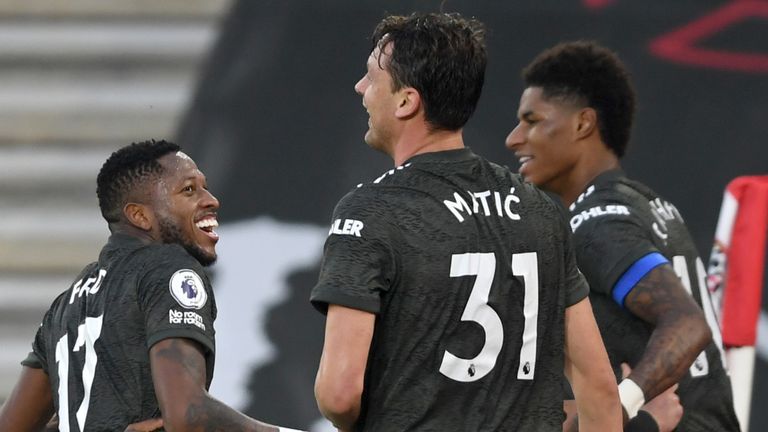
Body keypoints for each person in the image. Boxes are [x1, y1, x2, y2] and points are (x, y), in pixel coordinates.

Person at [310, 13, 621, 432]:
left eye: (371, 77)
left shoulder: (371, 212)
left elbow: (339, 395)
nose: (361, 89)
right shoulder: (540, 211)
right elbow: (598, 385)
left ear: (406, 101)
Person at [506, 40, 741, 431]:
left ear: (583, 123)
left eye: (532, 120)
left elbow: (687, 323)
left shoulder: (598, 221)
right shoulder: (645, 204)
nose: (514, 138)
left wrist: (624, 403)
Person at [0, 140, 302, 432]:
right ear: (140, 216)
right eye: (189, 190)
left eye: (204, 186)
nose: (211, 200)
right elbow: (188, 415)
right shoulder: (167, 269)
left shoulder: (66, 303)